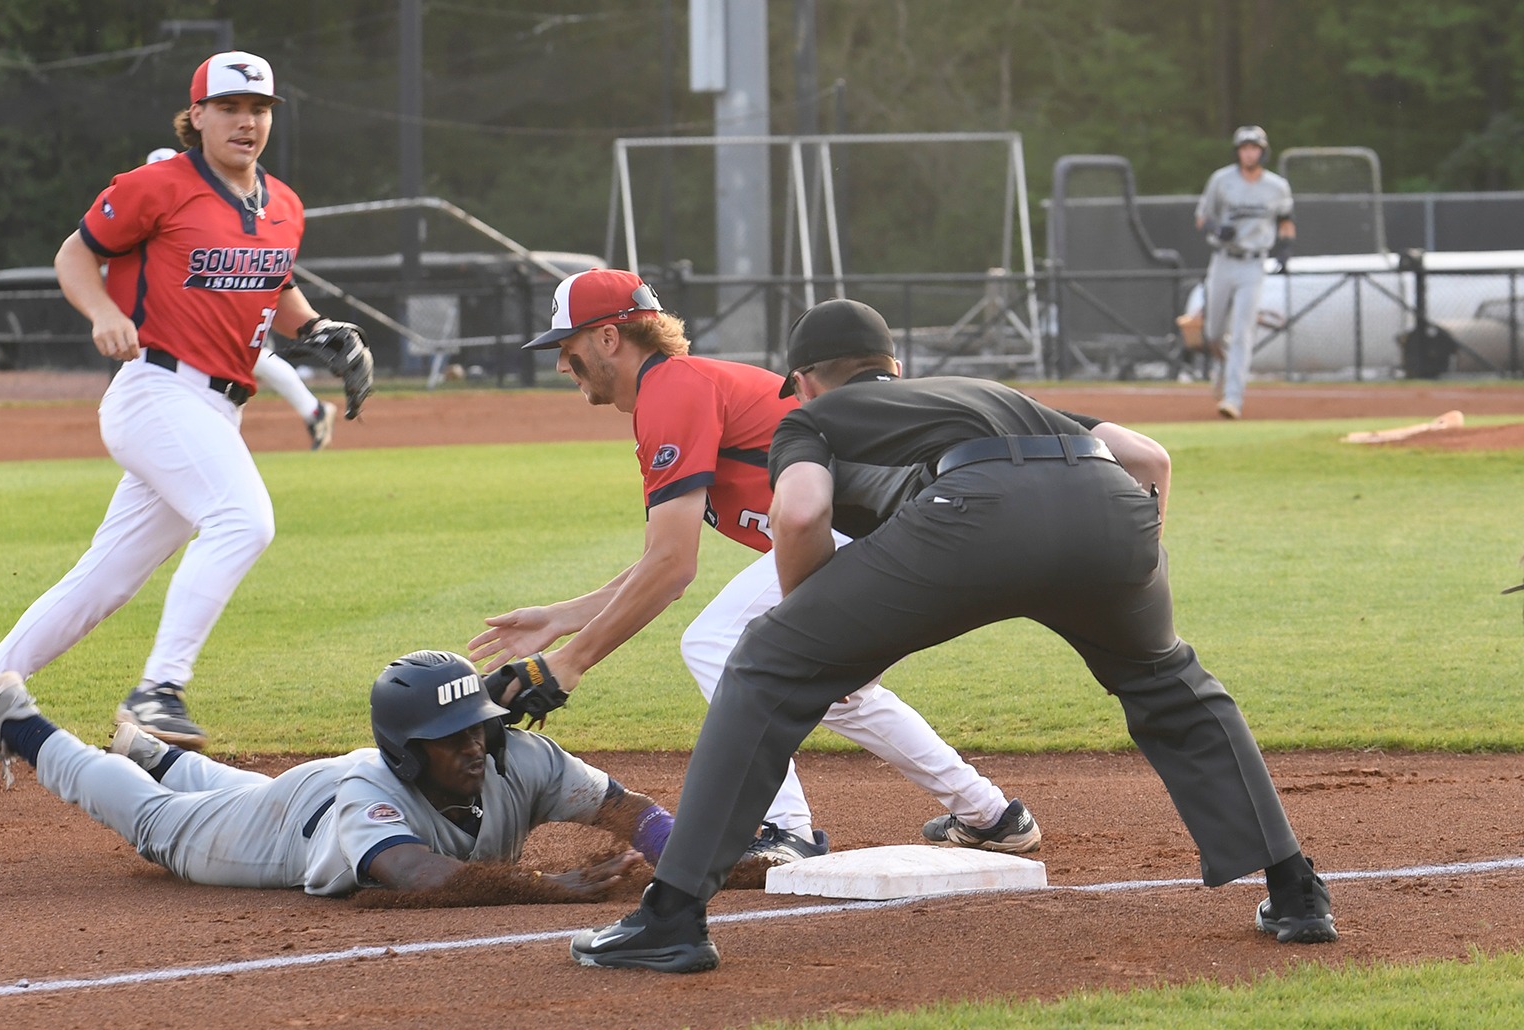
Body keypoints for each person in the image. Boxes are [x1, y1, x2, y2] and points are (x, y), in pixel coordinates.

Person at [567, 298, 1336, 973]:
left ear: (802, 381)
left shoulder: (811, 417)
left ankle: (670, 920)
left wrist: (806, 633)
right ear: (894, 366)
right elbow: (1147, 457)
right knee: (1174, 685)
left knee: (761, 664)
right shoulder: (984, 392)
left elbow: (800, 516)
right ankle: (1296, 891)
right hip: (1108, 507)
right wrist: (1142, 556)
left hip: (972, 515)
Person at [473, 269, 1044, 865]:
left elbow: (672, 568)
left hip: (868, 526)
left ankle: (783, 830)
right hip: (899, 531)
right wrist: (564, 618)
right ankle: (991, 815)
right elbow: (661, 562)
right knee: (843, 691)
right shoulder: (677, 389)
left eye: (569, 347)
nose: (563, 363)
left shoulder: (670, 390)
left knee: (716, 640)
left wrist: (568, 664)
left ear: (610, 338)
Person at [0, 51, 374, 795]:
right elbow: (76, 253)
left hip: (215, 410)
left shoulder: (284, 204)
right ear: (196, 114)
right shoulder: (158, 186)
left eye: (259, 108)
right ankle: (158, 690)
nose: (247, 121)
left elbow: (275, 285)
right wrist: (104, 312)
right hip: (156, 392)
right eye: (230, 107)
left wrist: (321, 330)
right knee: (243, 518)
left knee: (103, 582)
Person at [0, 651, 672, 900]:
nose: (474, 746)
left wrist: (694, 851)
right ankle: (18, 723)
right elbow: (415, 872)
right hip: (292, 826)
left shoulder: (520, 756)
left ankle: (160, 754)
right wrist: (547, 888)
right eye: (451, 739)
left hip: (313, 791)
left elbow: (627, 810)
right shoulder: (373, 796)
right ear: (408, 752)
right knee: (159, 826)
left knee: (253, 791)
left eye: (476, 726)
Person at [146, 147, 336, 451]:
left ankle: (313, 411)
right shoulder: (155, 218)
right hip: (179, 344)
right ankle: (313, 411)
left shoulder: (204, 209)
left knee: (255, 364)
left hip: (228, 322)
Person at [1195, 125, 1295, 420]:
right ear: (1238, 152)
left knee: (1242, 332)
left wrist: (1286, 248)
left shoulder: (1276, 186)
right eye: (1244, 148)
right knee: (1213, 332)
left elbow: (1286, 221)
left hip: (1254, 263)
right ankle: (1222, 370)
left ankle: (1233, 399)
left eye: (1254, 148)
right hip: (1224, 260)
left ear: (1263, 152)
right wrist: (1216, 228)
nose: (1249, 153)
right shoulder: (1222, 180)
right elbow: (1202, 217)